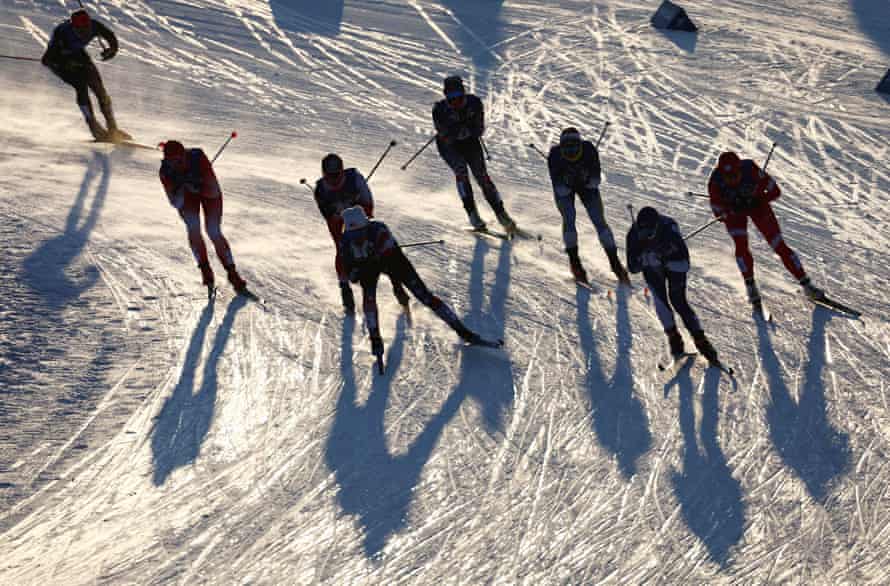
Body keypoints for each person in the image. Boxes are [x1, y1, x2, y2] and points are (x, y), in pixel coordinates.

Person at [339, 206, 490, 364]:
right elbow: (351, 275)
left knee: (424, 296)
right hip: (368, 268)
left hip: (393, 261)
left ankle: (463, 331)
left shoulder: (379, 231)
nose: (357, 238)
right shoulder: (345, 242)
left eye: (360, 233)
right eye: (353, 235)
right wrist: (356, 272)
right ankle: (375, 338)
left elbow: (393, 267)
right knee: (369, 298)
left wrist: (398, 288)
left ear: (367, 226)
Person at [708, 151, 822, 305]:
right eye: (728, 177)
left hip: (758, 207)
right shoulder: (715, 182)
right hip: (735, 212)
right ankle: (750, 285)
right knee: (741, 244)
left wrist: (759, 199)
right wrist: (730, 210)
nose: (731, 180)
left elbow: (775, 191)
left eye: (735, 175)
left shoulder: (751, 169)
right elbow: (718, 213)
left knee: (778, 244)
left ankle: (807, 285)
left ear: (740, 169)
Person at [314, 153, 410, 314]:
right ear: (324, 175)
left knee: (375, 246)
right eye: (330, 176)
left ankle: (397, 286)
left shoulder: (355, 179)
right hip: (339, 221)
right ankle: (344, 287)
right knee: (342, 247)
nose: (334, 180)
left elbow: (369, 204)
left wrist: (358, 212)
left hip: (360, 215)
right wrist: (339, 215)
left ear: (342, 171)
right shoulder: (320, 189)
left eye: (337, 175)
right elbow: (328, 216)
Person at [626, 207, 719, 364]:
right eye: (643, 233)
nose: (646, 237)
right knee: (660, 302)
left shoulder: (669, 229)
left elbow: (684, 264)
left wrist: (666, 260)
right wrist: (645, 259)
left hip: (674, 265)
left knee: (678, 301)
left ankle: (701, 340)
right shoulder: (633, 235)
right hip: (652, 268)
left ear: (657, 227)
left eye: (649, 234)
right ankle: (674, 338)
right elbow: (632, 268)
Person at [433, 75, 518, 235]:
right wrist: (460, 129)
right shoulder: (439, 109)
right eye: (450, 98)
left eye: (458, 96)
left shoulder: (474, 103)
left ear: (464, 93)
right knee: (461, 172)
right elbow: (445, 135)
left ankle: (502, 215)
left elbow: (479, 129)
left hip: (470, 143)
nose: (455, 101)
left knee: (482, 176)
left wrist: (465, 128)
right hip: (449, 147)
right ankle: (473, 215)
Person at [159, 140, 246, 295]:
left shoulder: (198, 158)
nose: (175, 165)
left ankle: (232, 272)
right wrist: (180, 190)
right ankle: (205, 269)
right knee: (193, 229)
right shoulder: (165, 172)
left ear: (184, 155)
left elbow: (213, 190)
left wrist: (198, 186)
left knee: (213, 230)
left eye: (178, 161)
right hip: (187, 198)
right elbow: (175, 202)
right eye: (169, 162)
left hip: (209, 195)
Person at [548, 127, 629, 284]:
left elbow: (596, 179)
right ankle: (575, 262)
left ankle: (615, 262)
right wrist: (572, 181)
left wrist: (585, 180)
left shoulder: (589, 150)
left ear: (580, 145)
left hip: (586, 187)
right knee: (569, 218)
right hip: (567, 188)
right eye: (567, 149)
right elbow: (559, 187)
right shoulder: (555, 155)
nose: (571, 153)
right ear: (562, 148)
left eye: (574, 148)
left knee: (598, 220)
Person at [41, 9, 129, 142]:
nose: (85, 32)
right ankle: (94, 127)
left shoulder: (94, 25)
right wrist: (65, 64)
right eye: (81, 30)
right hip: (57, 61)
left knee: (99, 90)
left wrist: (112, 50)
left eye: (87, 28)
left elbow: (110, 36)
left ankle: (113, 129)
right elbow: (49, 58)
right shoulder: (62, 33)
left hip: (77, 55)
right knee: (80, 85)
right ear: (74, 27)